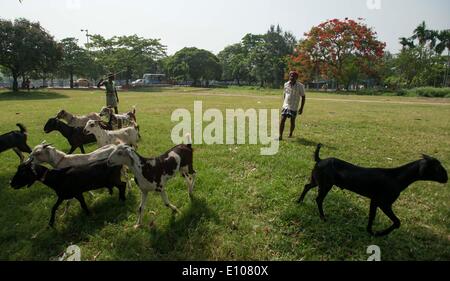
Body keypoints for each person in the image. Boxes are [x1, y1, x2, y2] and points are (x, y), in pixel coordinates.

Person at [279, 71, 306, 141]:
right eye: (290, 75)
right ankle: (280, 136)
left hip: (294, 106)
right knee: (282, 120)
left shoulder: (300, 86)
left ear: (296, 77)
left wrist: (301, 108)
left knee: (292, 121)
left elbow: (303, 97)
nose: (291, 77)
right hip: (286, 105)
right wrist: (284, 102)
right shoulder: (286, 84)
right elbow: (285, 93)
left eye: (293, 76)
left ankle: (290, 133)